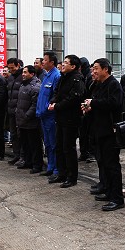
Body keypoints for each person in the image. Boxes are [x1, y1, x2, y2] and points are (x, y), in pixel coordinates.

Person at [82, 58, 125, 211]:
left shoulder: (113, 84)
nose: (93, 71)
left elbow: (114, 103)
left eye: (96, 68)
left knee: (112, 166)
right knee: (104, 165)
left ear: (105, 69)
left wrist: (93, 103)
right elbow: (98, 103)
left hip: (110, 132)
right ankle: (108, 191)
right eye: (93, 69)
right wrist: (89, 108)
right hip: (99, 130)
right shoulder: (99, 84)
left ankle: (117, 199)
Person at [49, 54, 85, 187]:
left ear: (73, 66)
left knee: (68, 148)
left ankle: (72, 177)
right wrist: (53, 101)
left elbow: (73, 98)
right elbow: (57, 93)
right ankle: (61, 173)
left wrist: (57, 106)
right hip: (60, 117)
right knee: (59, 146)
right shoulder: (63, 77)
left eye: (66, 62)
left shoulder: (77, 79)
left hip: (71, 118)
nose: (63, 64)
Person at [37, 51, 61, 178]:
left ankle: (56, 169)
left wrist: (47, 108)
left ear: (52, 62)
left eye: (45, 60)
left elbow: (55, 95)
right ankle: (50, 166)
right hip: (43, 115)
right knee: (47, 143)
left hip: (50, 116)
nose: (43, 62)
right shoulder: (46, 75)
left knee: (53, 143)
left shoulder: (56, 76)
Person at [16, 65, 44, 174]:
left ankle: (37, 165)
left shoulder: (35, 87)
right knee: (25, 143)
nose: (23, 74)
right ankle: (28, 162)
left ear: (32, 74)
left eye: (25, 72)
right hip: (22, 120)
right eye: (23, 72)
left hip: (31, 121)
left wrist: (27, 115)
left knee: (34, 144)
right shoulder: (23, 85)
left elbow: (35, 104)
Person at [6, 58, 23, 165]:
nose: (11, 70)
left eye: (12, 68)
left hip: (20, 111)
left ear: (18, 66)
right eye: (9, 68)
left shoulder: (22, 76)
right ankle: (16, 155)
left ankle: (22, 156)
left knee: (20, 135)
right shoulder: (11, 77)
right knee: (13, 135)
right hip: (11, 110)